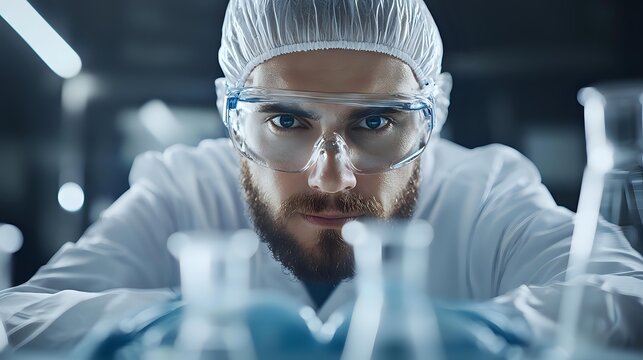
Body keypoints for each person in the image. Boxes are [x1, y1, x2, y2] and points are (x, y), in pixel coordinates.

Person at [1, 0, 643, 351]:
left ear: (433, 116)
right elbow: (16, 320)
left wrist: (492, 334)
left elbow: (628, 302)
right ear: (233, 118)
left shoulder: (486, 194)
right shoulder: (183, 188)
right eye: (285, 121)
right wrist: (159, 328)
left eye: (375, 123)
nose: (333, 178)